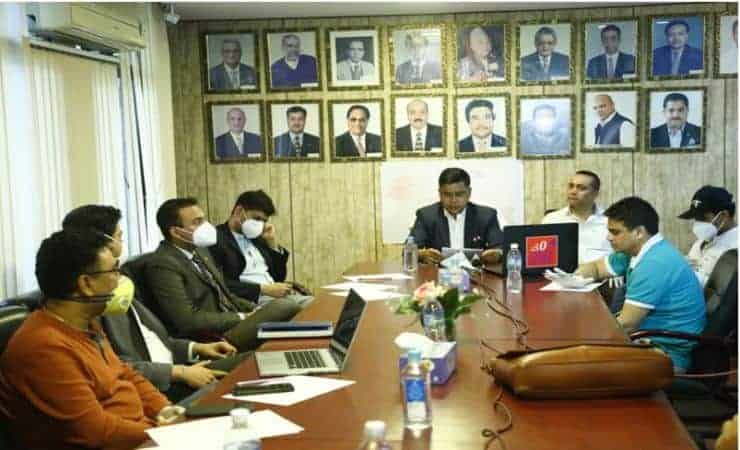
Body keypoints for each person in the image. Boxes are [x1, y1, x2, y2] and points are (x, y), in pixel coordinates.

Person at [0, 229, 182, 449]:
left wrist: (163, 408)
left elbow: (124, 373)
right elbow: (95, 432)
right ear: (86, 284)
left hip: (142, 436)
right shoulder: (42, 347)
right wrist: (162, 433)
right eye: (114, 271)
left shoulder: (87, 323)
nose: (119, 279)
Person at [62, 205, 248, 403]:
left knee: (255, 361)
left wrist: (196, 348)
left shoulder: (120, 281)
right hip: (165, 383)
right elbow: (119, 367)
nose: (121, 242)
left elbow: (155, 339)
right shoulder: (95, 298)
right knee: (250, 372)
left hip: (179, 369)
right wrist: (178, 373)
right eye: (119, 236)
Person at [146, 198, 301, 352]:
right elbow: (188, 320)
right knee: (287, 306)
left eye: (203, 220)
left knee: (293, 309)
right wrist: (241, 317)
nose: (205, 226)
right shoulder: (163, 263)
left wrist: (254, 309)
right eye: (197, 222)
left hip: (234, 319)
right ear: (176, 232)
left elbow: (225, 293)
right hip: (215, 338)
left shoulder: (200, 251)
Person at [575, 197, 706, 372]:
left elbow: (627, 324)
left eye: (615, 232)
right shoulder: (634, 252)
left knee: (576, 366)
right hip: (645, 338)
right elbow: (597, 268)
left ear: (638, 232)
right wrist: (570, 277)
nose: (608, 237)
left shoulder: (654, 263)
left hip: (666, 353)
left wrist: (580, 336)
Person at [210, 190, 312, 307]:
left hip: (277, 298)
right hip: (250, 301)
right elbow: (219, 283)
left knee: (323, 302)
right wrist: (262, 289)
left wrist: (272, 245)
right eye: (257, 218)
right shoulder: (217, 239)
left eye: (264, 221)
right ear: (239, 211)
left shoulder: (257, 239)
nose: (260, 225)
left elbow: (278, 277)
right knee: (311, 305)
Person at [409, 167, 503, 265]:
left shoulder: (486, 216)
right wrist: (421, 254)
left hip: (476, 272)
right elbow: (408, 250)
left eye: (459, 194)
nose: (453, 200)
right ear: (440, 193)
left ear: (469, 192)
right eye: (447, 195)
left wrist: (497, 254)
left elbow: (500, 247)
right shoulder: (426, 216)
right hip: (438, 272)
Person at [542, 171, 612, 264]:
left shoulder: (610, 220)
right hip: (563, 272)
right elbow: (542, 257)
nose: (573, 191)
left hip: (602, 272)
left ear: (595, 194)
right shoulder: (551, 219)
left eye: (581, 188)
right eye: (571, 186)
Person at [678, 186, 738, 289]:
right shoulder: (702, 241)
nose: (698, 223)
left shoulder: (735, 248)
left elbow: (728, 292)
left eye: (702, 218)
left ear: (724, 216)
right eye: (696, 218)